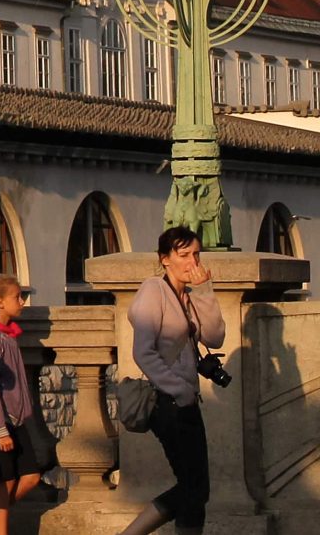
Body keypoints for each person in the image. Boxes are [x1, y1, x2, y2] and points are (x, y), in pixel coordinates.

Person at [113, 227, 227, 535]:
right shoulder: (153, 290)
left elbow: (215, 337)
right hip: (167, 402)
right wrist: (178, 390)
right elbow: (143, 353)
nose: (193, 262)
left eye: (196, 254)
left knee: (196, 489)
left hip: (186, 402)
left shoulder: (189, 297)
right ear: (165, 259)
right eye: (184, 255)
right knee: (193, 487)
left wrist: (204, 292)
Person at [0, 275, 51, 535]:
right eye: (17, 297)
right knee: (4, 482)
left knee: (31, 476)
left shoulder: (7, 336)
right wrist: (0, 429)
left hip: (15, 419)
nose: (23, 302)